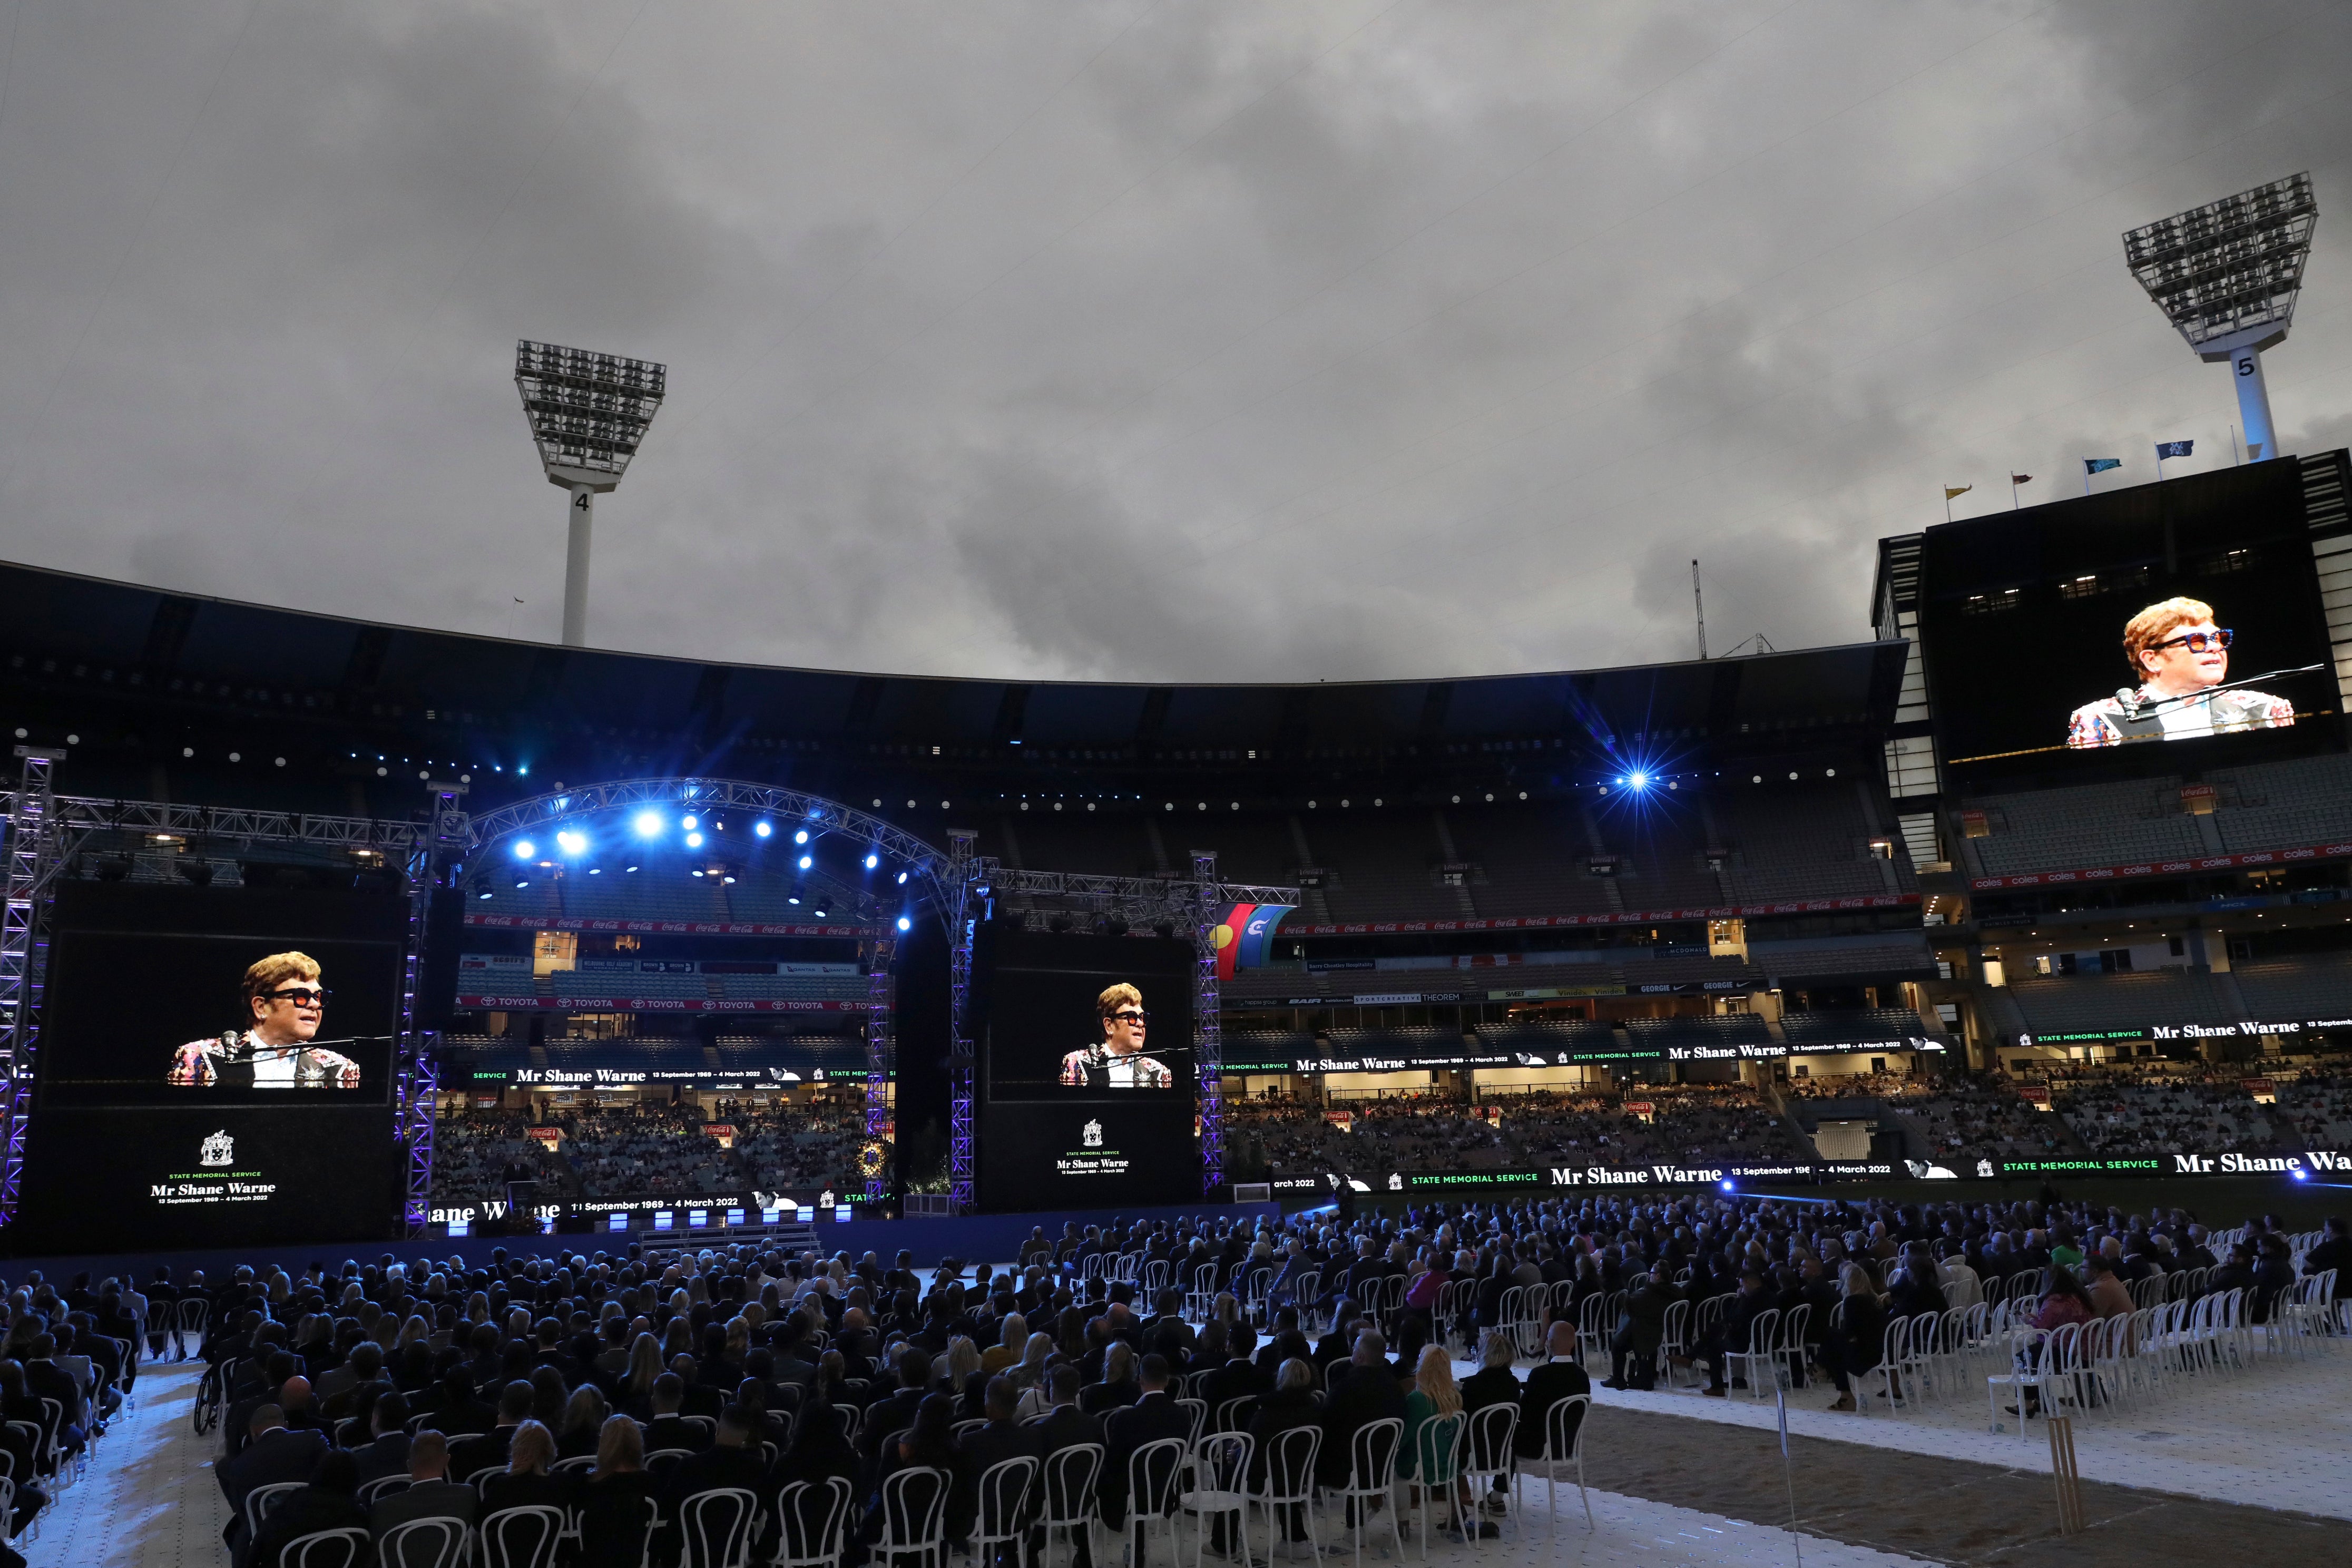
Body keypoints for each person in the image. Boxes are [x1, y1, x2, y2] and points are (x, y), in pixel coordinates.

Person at [2068, 597, 2295, 748]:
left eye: (2219, 638)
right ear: (2152, 659)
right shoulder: (2100, 719)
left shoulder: (2267, 710)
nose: (2215, 647)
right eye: (2197, 641)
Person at [168, 952, 363, 1089]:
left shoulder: (339, 1069)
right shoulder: (199, 1058)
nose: (314, 1005)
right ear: (261, 1007)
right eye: (301, 996)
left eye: (319, 997)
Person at [218, 1404, 329, 1560]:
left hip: (270, 1528)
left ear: (254, 1433)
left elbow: (243, 1509)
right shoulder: (313, 1439)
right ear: (286, 1425)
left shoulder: (239, 1465)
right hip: (319, 1518)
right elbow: (332, 1472)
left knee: (239, 1534)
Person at [1099, 1354, 1187, 1533]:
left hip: (1132, 1491)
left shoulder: (1126, 1417)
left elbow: (1113, 1461)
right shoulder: (1184, 1415)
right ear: (1167, 1381)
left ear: (1141, 1380)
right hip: (1167, 1486)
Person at [247, 1449, 368, 1568]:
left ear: (318, 1472)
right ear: (356, 1481)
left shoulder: (289, 1506)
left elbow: (257, 1548)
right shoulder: (356, 1516)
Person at [1317, 1330, 1407, 1490]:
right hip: (1384, 1466)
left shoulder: (1346, 1387)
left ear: (1360, 1356)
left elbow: (1326, 1419)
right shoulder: (1395, 1387)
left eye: (1355, 1347)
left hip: (1348, 1470)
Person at [1400, 1345, 1468, 1542]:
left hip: (1419, 1467)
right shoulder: (1455, 1398)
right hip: (1447, 1467)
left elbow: (1403, 1439)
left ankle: (1402, 1522)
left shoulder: (1416, 1400)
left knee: (1392, 1463)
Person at [577, 1416, 661, 1568]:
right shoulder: (651, 1482)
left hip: (594, 1559)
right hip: (636, 1558)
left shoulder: (587, 1484)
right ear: (637, 1443)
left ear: (604, 1445)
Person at [369, 1428, 478, 1543]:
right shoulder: (466, 1496)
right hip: (451, 1560)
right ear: (447, 1461)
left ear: (409, 1465)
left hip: (401, 1560)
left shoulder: (384, 1508)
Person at [1058, 984, 1173, 1089]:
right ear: (1109, 1026)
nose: (1140, 1024)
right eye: (1131, 1017)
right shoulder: (1077, 1063)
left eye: (1142, 1017)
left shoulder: (1159, 1073)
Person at [1514, 1322, 1590, 1463]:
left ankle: (1501, 1483)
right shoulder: (1582, 1376)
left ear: (1550, 1342)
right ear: (1573, 1343)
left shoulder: (1540, 1374)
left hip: (1540, 1446)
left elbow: (1523, 1414)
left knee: (1503, 1429)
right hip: (1569, 1445)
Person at [1818, 1265, 1887, 1414]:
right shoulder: (1873, 1298)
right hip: (1879, 1350)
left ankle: (1821, 1368)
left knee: (1829, 1337)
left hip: (1865, 1355)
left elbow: (1849, 1333)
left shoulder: (1853, 1301)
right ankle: (1821, 1368)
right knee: (1833, 1345)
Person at [479, 1418, 574, 1525]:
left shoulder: (502, 1486)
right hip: (550, 1541)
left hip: (506, 1540)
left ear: (516, 1449)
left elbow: (480, 1524)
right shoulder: (562, 1481)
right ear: (549, 1449)